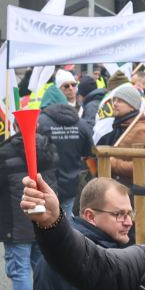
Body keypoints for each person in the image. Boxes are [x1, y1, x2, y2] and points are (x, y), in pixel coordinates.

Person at [0, 123, 57, 290]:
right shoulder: (48, 148)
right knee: (40, 270)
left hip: (16, 221)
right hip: (42, 217)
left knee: (19, 271)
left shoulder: (7, 152)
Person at [39, 84, 89, 217]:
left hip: (45, 185)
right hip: (71, 185)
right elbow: (89, 153)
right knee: (67, 226)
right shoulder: (81, 123)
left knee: (46, 226)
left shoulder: (39, 123)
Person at [96, 83, 145, 184]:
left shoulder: (141, 130)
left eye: (120, 101)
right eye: (114, 100)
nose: (114, 104)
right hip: (113, 187)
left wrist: (112, 163)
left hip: (128, 193)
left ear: (132, 106)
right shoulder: (121, 127)